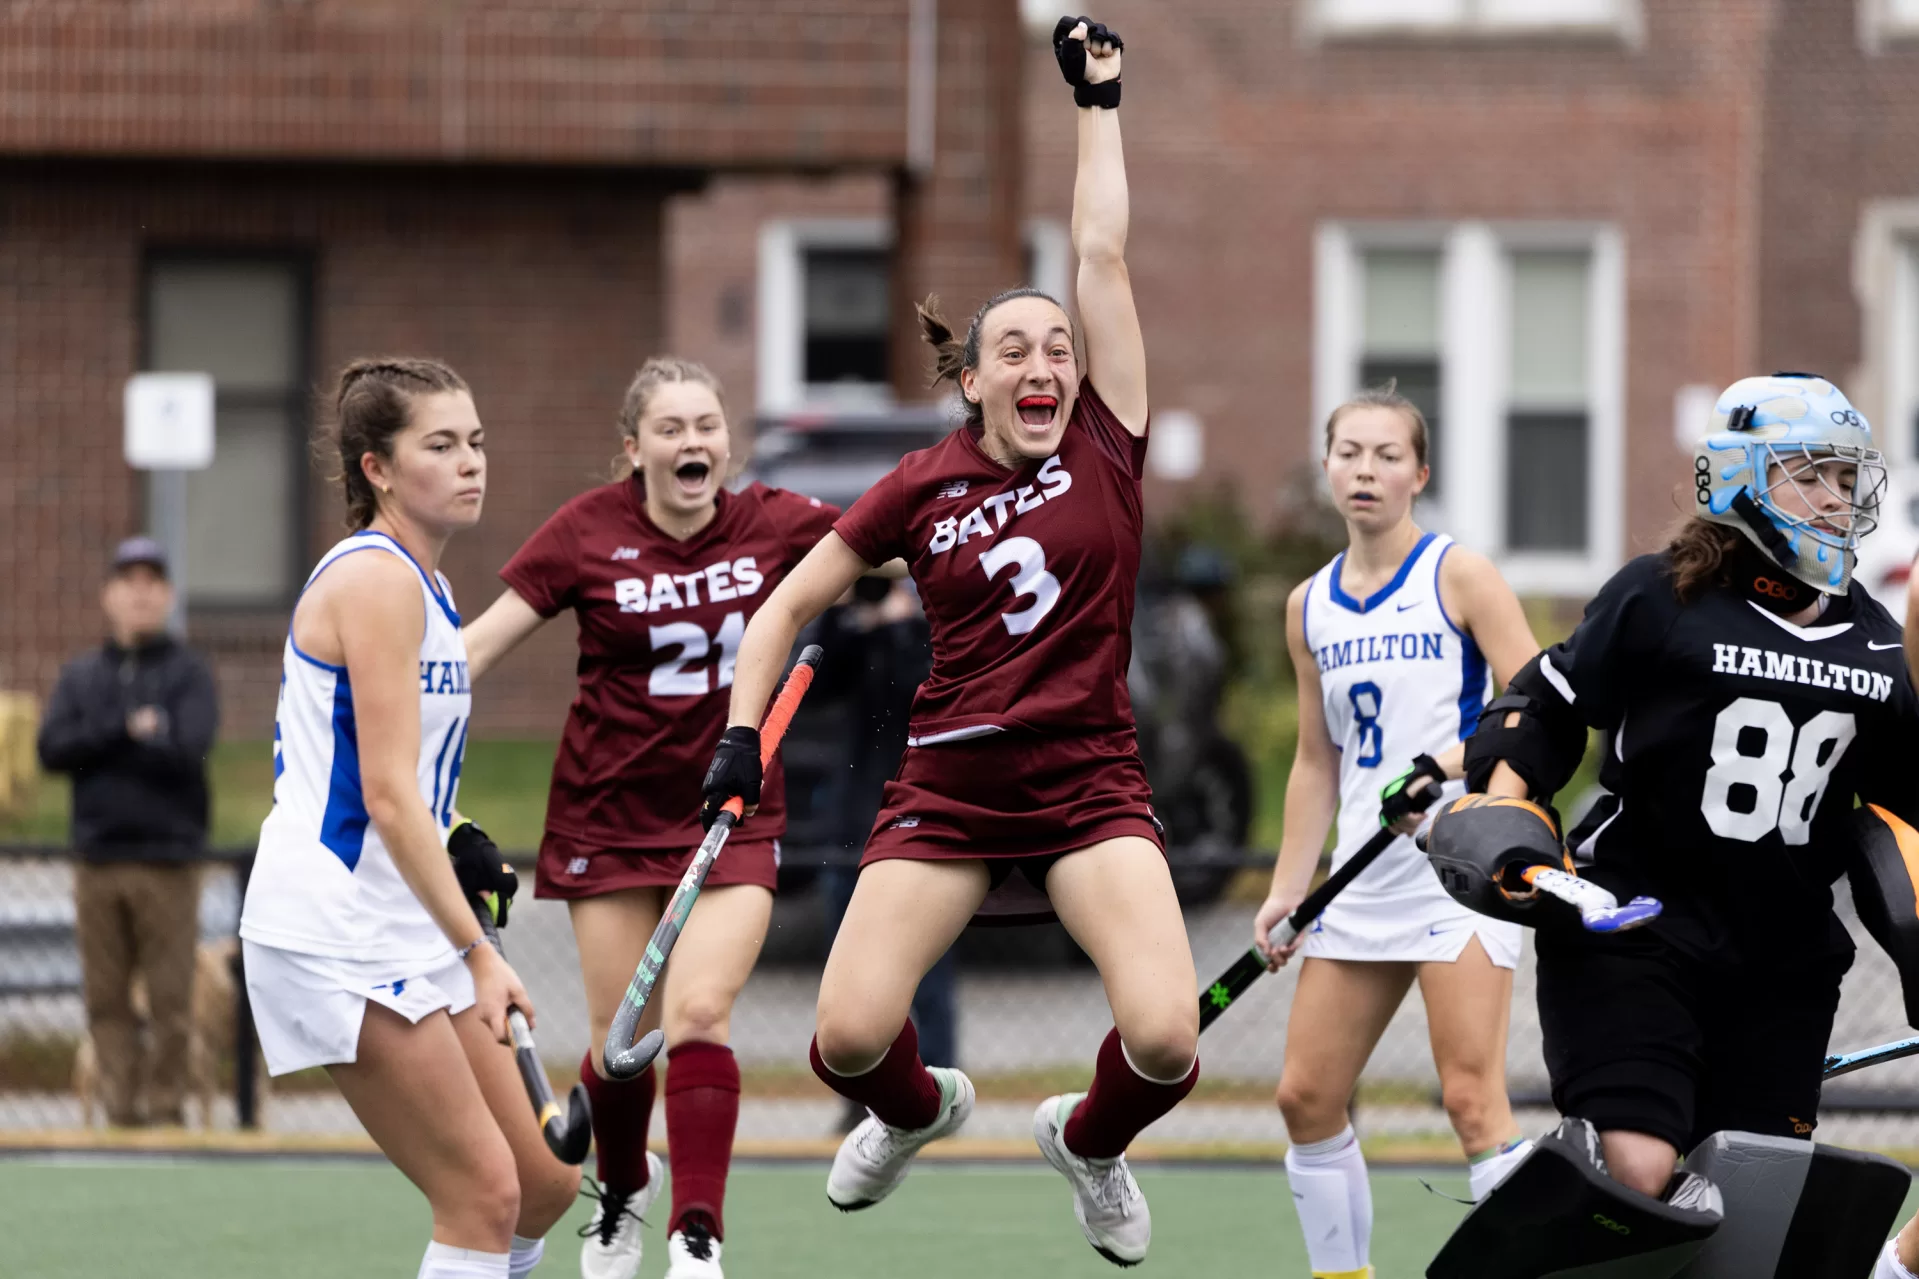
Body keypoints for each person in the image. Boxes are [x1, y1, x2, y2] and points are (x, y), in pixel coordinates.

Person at [701, 19, 1196, 1267]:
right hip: (950, 785)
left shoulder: (1106, 443)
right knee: (848, 1040)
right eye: (1014, 350)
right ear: (970, 378)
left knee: (1167, 1042)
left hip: (1086, 780)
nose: (1044, 363)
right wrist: (734, 736)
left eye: (1058, 349)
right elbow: (782, 607)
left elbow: (1099, 248)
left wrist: (1099, 103)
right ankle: (919, 1114)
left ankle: (1087, 1143)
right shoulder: (916, 486)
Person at [1452, 374, 1919, 1257]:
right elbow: (1544, 706)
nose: (1833, 496)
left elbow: (1900, 807)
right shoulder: (1658, 597)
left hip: (1782, 954)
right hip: (1637, 921)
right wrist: (1503, 806)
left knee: (1750, 1204)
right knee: (1638, 1165)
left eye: (1844, 477)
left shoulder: (1877, 640)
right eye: (1808, 473)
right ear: (1739, 478)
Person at [460, 357, 841, 1279]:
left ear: (727, 443)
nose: (691, 443)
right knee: (617, 1045)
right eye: (669, 429)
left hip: (732, 814)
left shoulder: (775, 523)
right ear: (633, 449)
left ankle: (695, 1232)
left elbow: (904, 539)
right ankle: (624, 1190)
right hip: (607, 815)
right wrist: (386, 711)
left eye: (706, 425)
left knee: (699, 1011)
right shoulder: (587, 530)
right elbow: (476, 645)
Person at [238, 358, 578, 1279]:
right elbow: (383, 796)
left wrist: (455, 828)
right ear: (376, 467)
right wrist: (478, 951)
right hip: (336, 925)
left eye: (475, 442)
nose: (470, 462)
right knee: (480, 1195)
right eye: (440, 445)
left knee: (543, 1178)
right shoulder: (375, 580)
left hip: (400, 915)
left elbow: (401, 775)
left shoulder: (427, 585)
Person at [1248, 386, 1542, 1279]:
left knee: (1469, 1101)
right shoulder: (1308, 607)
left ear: (1419, 472)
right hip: (1361, 880)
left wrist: (1462, 781)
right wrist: (1286, 889)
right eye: (1348, 452)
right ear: (1327, 465)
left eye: (1385, 455)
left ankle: (1554, 1263)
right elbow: (1314, 759)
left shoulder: (1458, 574)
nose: (1364, 470)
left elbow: (1537, 708)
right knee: (1305, 1096)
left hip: (1457, 873)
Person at [37, 536, 218, 1128]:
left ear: (167, 596)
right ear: (108, 595)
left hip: (168, 860)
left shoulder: (188, 673)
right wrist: (126, 730)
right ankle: (120, 1112)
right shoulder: (83, 676)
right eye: (129, 583)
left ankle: (166, 1111)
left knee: (171, 999)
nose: (140, 595)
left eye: (152, 584)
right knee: (106, 999)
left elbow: (187, 748)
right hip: (97, 858)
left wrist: (106, 745)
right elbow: (55, 750)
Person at [814, 577, 958, 1132]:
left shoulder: (928, 633)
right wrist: (844, 613)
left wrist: (902, 625)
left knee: (928, 973)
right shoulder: (857, 635)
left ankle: (939, 1087)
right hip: (852, 827)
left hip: (919, 827)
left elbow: (919, 690)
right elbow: (815, 687)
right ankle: (859, 1095)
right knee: (849, 972)